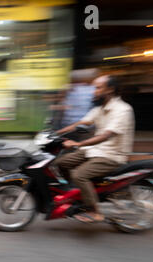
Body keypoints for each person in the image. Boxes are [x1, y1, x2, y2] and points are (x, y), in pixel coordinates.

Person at [53, 75, 135, 223]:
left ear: (110, 90)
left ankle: (94, 210)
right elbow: (81, 123)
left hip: (112, 154)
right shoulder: (100, 108)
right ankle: (78, 194)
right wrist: (54, 134)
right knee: (60, 162)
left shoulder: (122, 110)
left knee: (79, 175)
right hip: (96, 150)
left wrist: (78, 144)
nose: (93, 92)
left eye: (97, 88)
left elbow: (106, 136)